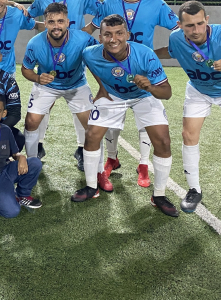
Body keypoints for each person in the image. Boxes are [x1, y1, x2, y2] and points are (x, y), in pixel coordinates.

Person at [155, 0, 221, 224]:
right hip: (199, 91)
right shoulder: (176, 39)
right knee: (188, 135)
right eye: (189, 26)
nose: (196, 30)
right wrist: (146, 55)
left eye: (200, 23)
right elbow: (170, 52)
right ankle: (194, 190)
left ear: (207, 20)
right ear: (180, 26)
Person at [84, 0, 179, 187]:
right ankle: (112, 158)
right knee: (111, 121)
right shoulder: (108, 4)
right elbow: (90, 29)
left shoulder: (156, 3)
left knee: (146, 122)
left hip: (143, 70)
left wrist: (159, 54)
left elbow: (178, 31)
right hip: (114, 70)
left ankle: (144, 164)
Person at [73, 14, 178, 217]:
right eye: (107, 34)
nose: (113, 39)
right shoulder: (89, 53)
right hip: (113, 95)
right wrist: (102, 88)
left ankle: (159, 195)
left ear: (127, 34)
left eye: (119, 33)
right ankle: (91, 187)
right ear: (101, 36)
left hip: (143, 95)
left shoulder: (145, 54)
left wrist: (150, 86)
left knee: (163, 141)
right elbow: (91, 65)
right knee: (92, 135)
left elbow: (167, 92)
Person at [20, 3, 108, 188]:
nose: (56, 26)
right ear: (45, 23)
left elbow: (100, 59)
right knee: (31, 121)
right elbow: (25, 69)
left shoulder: (83, 39)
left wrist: (103, 88)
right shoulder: (35, 43)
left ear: (68, 22)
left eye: (60, 21)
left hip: (77, 85)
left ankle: (100, 172)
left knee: (93, 127)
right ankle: (32, 164)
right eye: (51, 22)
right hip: (47, 86)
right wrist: (37, 77)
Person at [28, 0, 102, 162]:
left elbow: (102, 10)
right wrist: (47, 28)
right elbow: (28, 17)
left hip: (75, 53)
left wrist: (90, 29)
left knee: (81, 106)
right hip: (51, 52)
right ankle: (39, 144)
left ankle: (81, 147)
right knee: (45, 104)